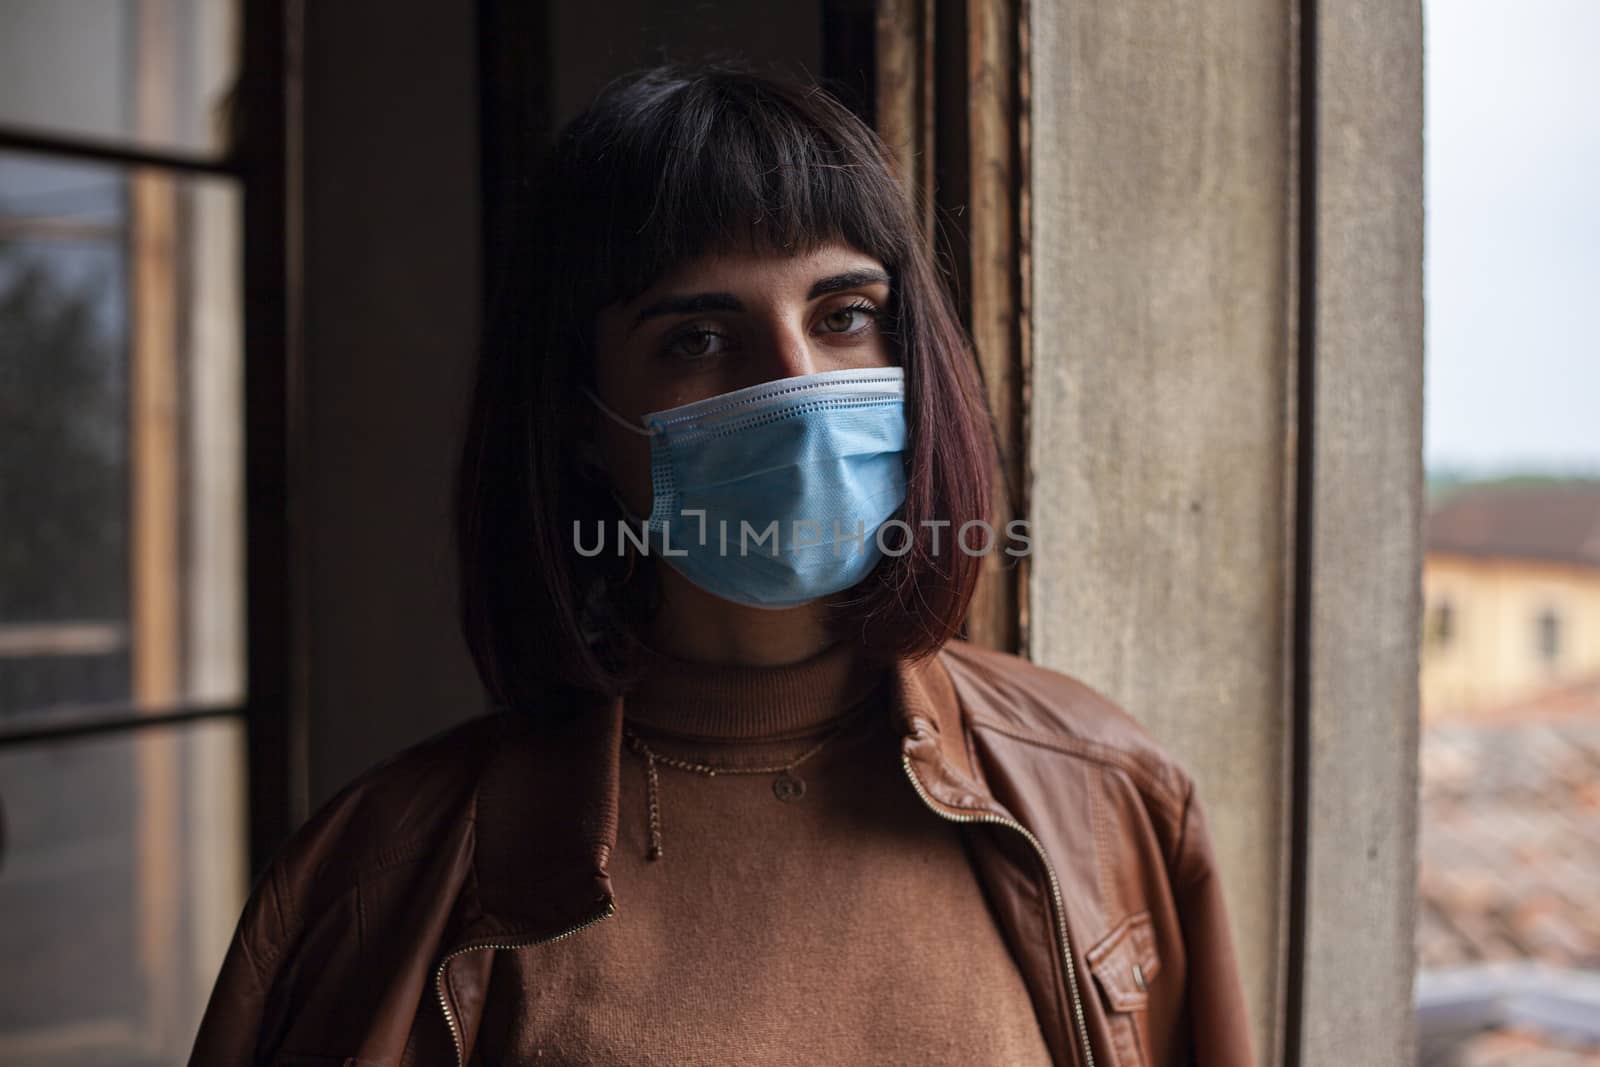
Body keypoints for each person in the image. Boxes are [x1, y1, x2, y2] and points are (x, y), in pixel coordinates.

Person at [189, 61, 1255, 1067]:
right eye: (697, 337)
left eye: (844, 316)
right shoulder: (374, 880)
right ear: (575, 417)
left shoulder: (1106, 794)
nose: (793, 388)